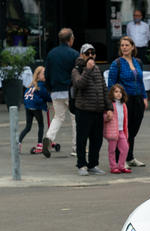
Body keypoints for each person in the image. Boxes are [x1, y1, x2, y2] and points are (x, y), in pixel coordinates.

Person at [72, 43, 113, 176]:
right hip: (83, 111)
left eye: (92, 53)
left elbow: (103, 89)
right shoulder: (76, 69)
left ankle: (93, 164)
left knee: (97, 141)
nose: (90, 56)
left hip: (97, 111)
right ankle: (82, 164)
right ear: (82, 55)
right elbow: (79, 84)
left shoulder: (98, 69)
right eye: (87, 53)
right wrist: (88, 70)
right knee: (82, 139)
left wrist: (109, 107)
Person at [108, 36, 148, 168]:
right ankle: (121, 159)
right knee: (123, 130)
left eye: (127, 45)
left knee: (133, 129)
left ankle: (130, 157)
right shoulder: (117, 63)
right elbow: (111, 85)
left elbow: (141, 81)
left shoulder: (138, 62)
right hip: (124, 100)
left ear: (132, 47)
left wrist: (144, 97)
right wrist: (112, 103)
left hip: (138, 99)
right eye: (122, 45)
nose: (124, 47)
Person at [43, 28, 79, 158]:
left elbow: (47, 73)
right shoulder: (74, 54)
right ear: (70, 39)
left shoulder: (51, 53)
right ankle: (76, 147)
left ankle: (49, 137)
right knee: (76, 118)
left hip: (56, 91)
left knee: (58, 117)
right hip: (71, 91)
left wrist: (49, 89)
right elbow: (77, 74)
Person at [19, 66, 52, 154]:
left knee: (28, 127)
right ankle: (39, 144)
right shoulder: (40, 85)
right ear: (38, 76)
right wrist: (50, 99)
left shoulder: (31, 85)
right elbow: (45, 94)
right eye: (43, 74)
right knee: (41, 125)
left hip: (28, 107)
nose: (45, 75)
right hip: (36, 107)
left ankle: (18, 142)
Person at [103, 84, 132, 174]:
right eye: (116, 92)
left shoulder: (123, 105)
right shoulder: (110, 104)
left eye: (120, 92)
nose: (119, 94)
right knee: (112, 150)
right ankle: (113, 166)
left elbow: (125, 118)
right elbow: (104, 117)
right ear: (112, 93)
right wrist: (107, 117)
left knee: (125, 148)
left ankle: (121, 166)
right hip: (112, 131)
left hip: (121, 130)